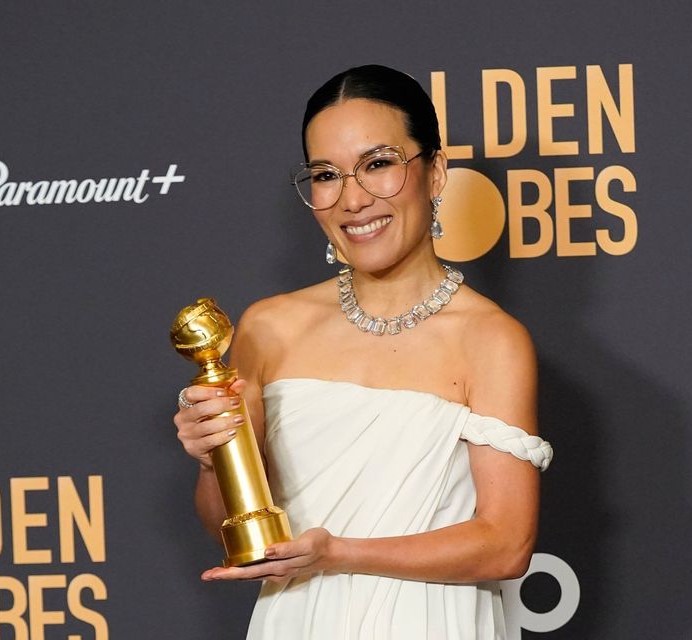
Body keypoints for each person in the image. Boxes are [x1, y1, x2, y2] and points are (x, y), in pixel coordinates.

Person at [173, 64, 553, 639]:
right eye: (326, 174)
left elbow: (506, 545)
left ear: (436, 172)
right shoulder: (269, 327)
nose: (353, 199)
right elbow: (236, 527)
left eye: (378, 165)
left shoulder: (490, 339)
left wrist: (338, 553)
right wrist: (211, 462)